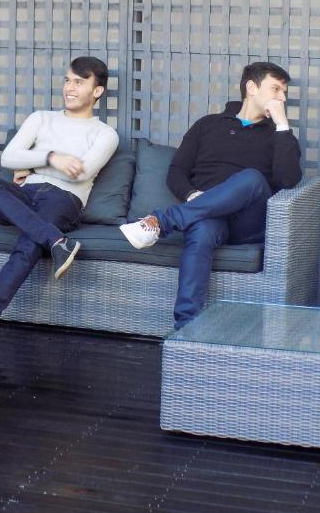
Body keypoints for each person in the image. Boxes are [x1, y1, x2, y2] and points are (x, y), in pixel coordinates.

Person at [119, 61, 303, 328]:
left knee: (251, 178)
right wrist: (193, 195)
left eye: (284, 92)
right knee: (202, 231)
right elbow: (177, 171)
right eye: (276, 89)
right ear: (252, 87)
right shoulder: (208, 125)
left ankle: (162, 222)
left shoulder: (279, 136)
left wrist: (283, 125)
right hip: (207, 215)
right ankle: (185, 327)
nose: (282, 98)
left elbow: (288, 180)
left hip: (247, 222)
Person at [0, 56, 118, 322]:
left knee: (28, 244)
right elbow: (8, 158)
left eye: (79, 82)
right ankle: (56, 240)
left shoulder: (105, 134)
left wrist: (32, 166)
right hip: (24, 195)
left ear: (97, 91)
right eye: (67, 80)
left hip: (63, 199)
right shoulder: (40, 118)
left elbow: (80, 172)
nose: (69, 88)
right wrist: (52, 157)